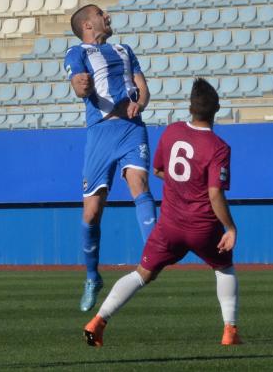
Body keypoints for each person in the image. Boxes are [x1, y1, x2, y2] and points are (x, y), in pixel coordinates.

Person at [83, 78, 240, 347]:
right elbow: (214, 193)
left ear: (190, 108)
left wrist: (183, 186)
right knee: (224, 268)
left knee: (141, 274)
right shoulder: (218, 147)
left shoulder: (172, 132)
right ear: (216, 109)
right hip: (202, 227)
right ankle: (230, 331)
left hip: (169, 226)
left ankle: (98, 321)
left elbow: (157, 170)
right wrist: (230, 228)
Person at [64, 4, 157, 312]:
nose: (108, 16)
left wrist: (139, 104)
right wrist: (82, 84)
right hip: (100, 133)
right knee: (91, 212)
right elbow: (78, 85)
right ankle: (92, 276)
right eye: (101, 13)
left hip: (132, 128)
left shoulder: (124, 49)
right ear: (88, 25)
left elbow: (142, 88)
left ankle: (155, 251)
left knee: (140, 184)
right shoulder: (77, 52)